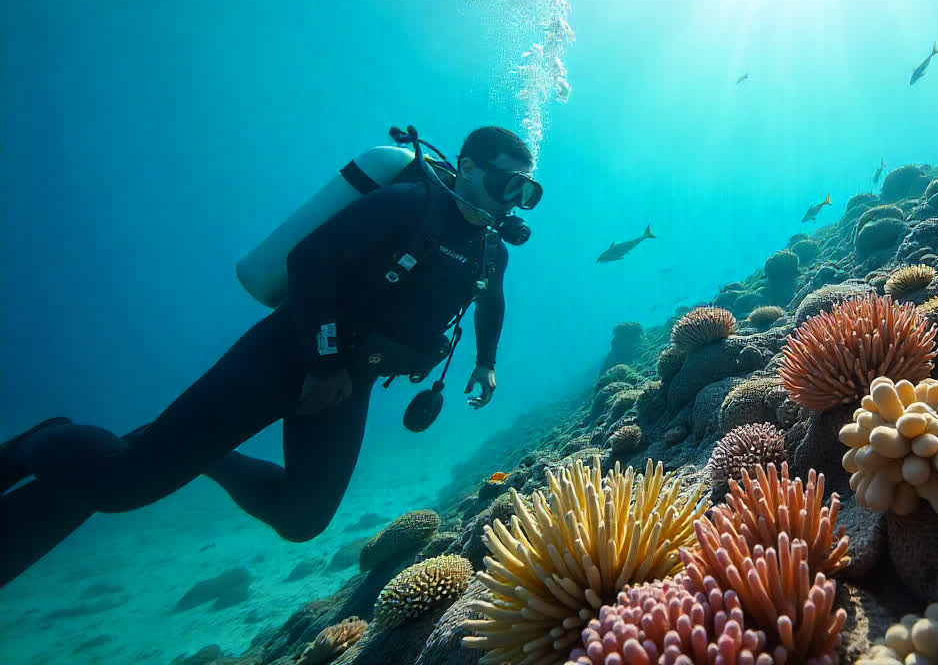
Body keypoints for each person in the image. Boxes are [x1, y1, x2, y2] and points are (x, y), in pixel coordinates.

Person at [0, 126, 541, 587]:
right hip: (288, 352)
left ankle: (207, 456)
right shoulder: (412, 203)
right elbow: (310, 259)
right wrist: (323, 363)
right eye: (506, 182)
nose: (514, 199)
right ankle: (37, 442)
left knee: (302, 516)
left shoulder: (489, 250)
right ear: (467, 168)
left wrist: (485, 361)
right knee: (122, 487)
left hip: (351, 378)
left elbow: (491, 304)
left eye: (526, 190)